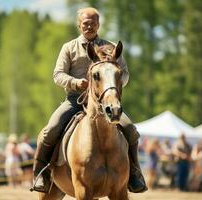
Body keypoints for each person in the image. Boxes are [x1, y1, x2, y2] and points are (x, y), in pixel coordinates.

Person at [31, 7, 147, 193]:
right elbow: (57, 75)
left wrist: (115, 83)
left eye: (93, 23)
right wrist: (76, 83)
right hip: (74, 99)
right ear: (79, 25)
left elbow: (124, 73)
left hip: (105, 101)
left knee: (131, 131)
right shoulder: (69, 48)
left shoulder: (111, 47)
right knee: (50, 130)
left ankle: (135, 174)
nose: (89, 26)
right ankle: (42, 174)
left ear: (98, 25)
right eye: (85, 23)